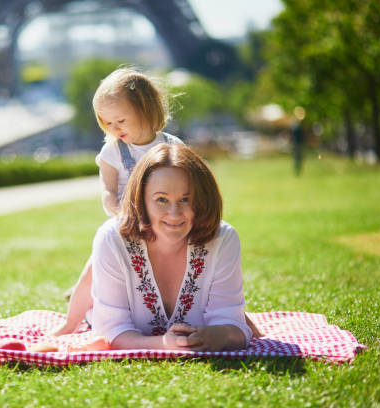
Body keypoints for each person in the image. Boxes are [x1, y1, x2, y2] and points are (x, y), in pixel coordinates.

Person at [51, 67, 185, 336]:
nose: (114, 128)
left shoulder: (174, 147)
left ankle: (235, 318)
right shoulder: (113, 151)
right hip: (128, 227)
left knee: (200, 262)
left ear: (146, 110)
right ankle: (70, 322)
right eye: (107, 122)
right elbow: (108, 192)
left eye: (121, 120)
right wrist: (117, 209)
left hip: (170, 225)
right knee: (93, 269)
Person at [91, 143, 252, 350]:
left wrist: (217, 335)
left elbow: (234, 326)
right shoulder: (112, 239)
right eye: (161, 200)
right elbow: (109, 332)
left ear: (202, 200)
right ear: (141, 201)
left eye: (186, 199)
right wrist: (162, 344)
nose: (175, 213)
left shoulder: (223, 239)